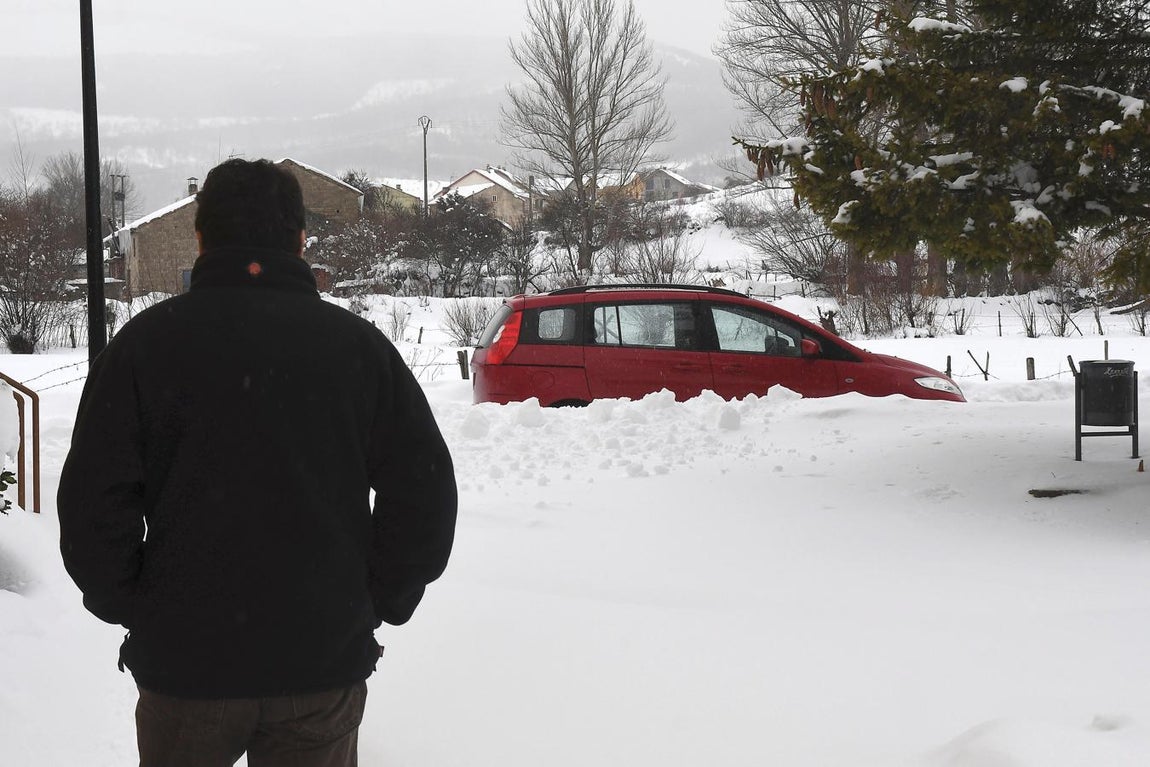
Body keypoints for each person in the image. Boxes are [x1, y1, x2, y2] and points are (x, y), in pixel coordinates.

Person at [57, 158, 458, 767]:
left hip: (185, 670)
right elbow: (424, 493)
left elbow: (90, 505)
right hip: (319, 666)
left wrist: (137, 604)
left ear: (200, 237)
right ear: (300, 239)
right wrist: (379, 598)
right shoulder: (357, 350)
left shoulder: (144, 347)